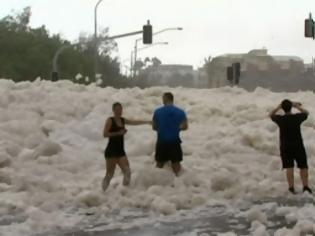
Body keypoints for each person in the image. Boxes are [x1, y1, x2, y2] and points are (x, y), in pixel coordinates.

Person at [102, 102, 151, 191]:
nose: (119, 111)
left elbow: (134, 122)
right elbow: (105, 134)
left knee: (127, 171)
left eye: (121, 109)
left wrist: (147, 122)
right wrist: (118, 133)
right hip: (111, 151)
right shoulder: (110, 120)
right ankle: (103, 192)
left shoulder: (122, 120)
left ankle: (125, 192)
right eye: (117, 110)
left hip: (120, 151)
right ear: (113, 110)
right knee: (109, 174)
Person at [269, 99, 312, 194]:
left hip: (285, 146)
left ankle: (291, 188)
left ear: (283, 109)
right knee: (303, 166)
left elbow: (271, 115)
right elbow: (306, 113)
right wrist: (296, 106)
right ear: (290, 108)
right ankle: (305, 186)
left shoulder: (280, 119)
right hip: (298, 145)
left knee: (289, 167)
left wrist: (278, 107)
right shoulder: (297, 118)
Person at [152, 92, 188, 176]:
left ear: (165, 99)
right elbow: (185, 127)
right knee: (176, 166)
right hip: (174, 142)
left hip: (161, 142)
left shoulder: (157, 112)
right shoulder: (181, 112)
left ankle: (158, 185)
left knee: (159, 165)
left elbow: (154, 127)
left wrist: (162, 128)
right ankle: (178, 185)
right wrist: (176, 128)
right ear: (172, 99)